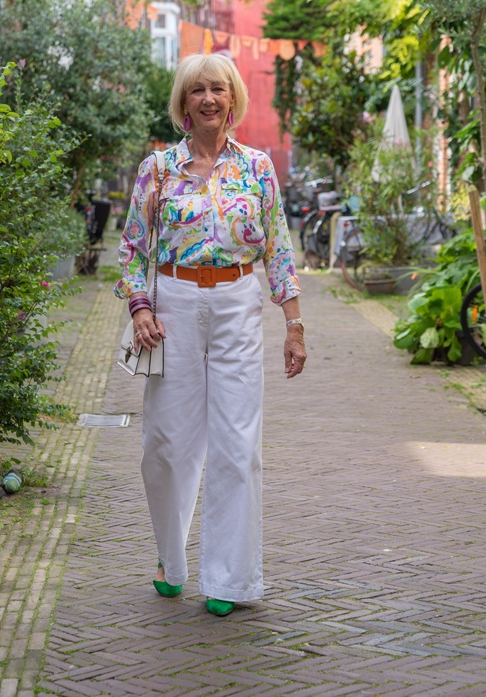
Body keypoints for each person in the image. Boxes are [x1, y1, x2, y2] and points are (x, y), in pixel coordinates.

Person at [115, 53, 306, 616]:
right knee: (166, 445)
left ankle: (229, 579)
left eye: (218, 89)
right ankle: (171, 561)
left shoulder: (257, 168)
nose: (208, 99)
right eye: (197, 90)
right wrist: (140, 308)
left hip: (237, 302)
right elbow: (131, 251)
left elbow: (279, 249)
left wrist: (294, 325)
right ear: (183, 102)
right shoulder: (158, 170)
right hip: (172, 303)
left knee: (237, 445)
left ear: (232, 98)